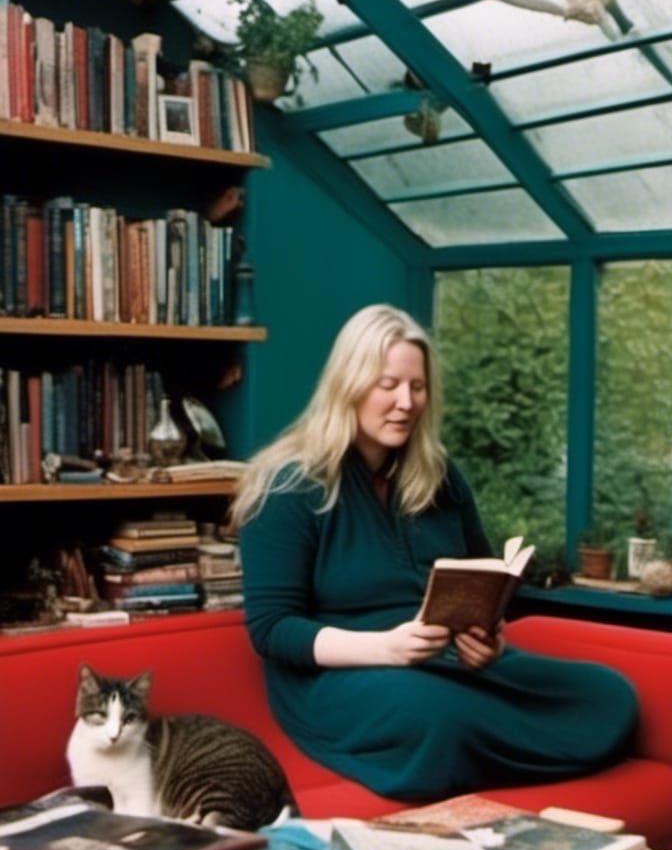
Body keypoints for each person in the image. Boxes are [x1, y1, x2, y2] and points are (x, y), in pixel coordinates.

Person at [232, 304, 638, 800]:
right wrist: (384, 648)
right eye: (388, 385)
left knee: (610, 697)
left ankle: (467, 754)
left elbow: (487, 580)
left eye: (417, 387)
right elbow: (272, 630)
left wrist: (488, 637)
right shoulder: (289, 486)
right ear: (350, 384)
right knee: (437, 719)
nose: (406, 402)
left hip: (445, 663)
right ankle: (472, 747)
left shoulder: (439, 476)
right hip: (340, 678)